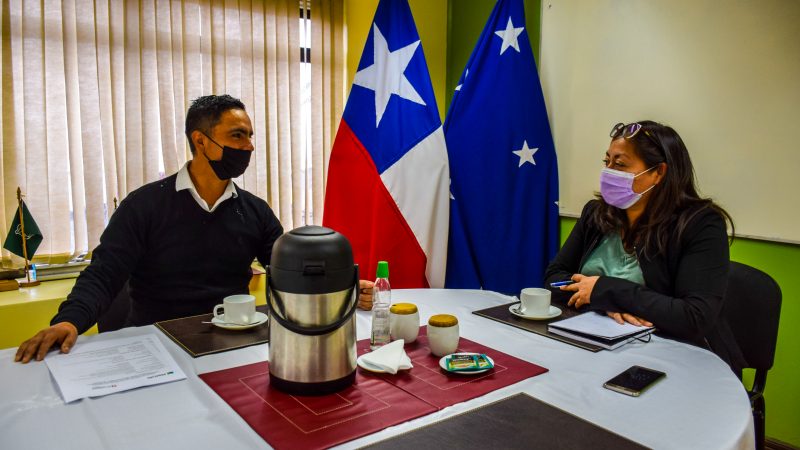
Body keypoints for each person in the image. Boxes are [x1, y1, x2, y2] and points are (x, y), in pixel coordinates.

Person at [15, 94, 374, 363]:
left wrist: (343, 291)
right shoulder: (144, 205)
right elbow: (104, 273)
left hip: (234, 345)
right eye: (236, 135)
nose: (248, 146)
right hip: (156, 345)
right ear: (200, 140)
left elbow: (287, 273)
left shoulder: (255, 211)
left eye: (250, 136)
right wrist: (69, 322)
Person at [544, 120, 746, 372]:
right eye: (607, 162)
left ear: (658, 172)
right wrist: (604, 304)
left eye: (620, 164)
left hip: (672, 358)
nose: (608, 171)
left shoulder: (700, 224)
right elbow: (554, 280)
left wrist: (608, 291)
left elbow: (694, 316)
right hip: (593, 346)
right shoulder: (596, 214)